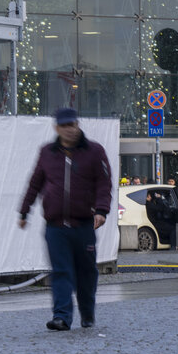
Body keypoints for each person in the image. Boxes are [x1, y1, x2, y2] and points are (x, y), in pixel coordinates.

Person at [19, 107, 113, 331]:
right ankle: (61, 316)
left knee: (86, 273)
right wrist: (24, 211)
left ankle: (87, 312)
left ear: (78, 125)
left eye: (72, 125)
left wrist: (101, 210)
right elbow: (35, 184)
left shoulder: (95, 151)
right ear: (56, 128)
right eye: (64, 126)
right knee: (61, 271)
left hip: (83, 225)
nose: (69, 130)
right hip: (56, 226)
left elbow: (104, 183)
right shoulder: (47, 153)